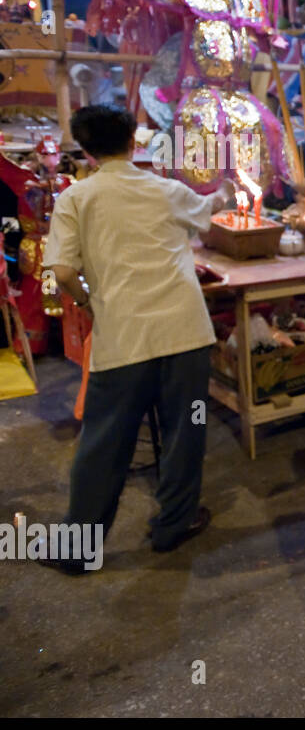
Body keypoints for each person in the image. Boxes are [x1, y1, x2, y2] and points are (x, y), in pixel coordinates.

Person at [40, 105, 235, 572]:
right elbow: (211, 209)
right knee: (184, 432)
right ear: (134, 142)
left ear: (85, 151)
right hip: (184, 333)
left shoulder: (76, 198)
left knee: (104, 442)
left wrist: (86, 301)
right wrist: (228, 187)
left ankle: (77, 550)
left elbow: (63, 271)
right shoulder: (165, 190)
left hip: (123, 337)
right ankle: (174, 525)